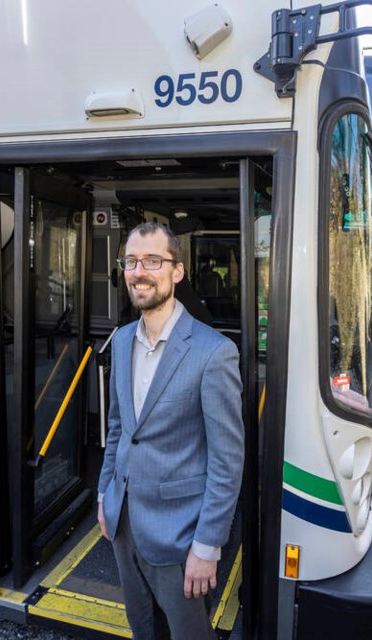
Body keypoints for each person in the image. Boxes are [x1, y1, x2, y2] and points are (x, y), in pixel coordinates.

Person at [97, 222, 244, 640]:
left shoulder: (214, 353)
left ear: (177, 272)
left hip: (180, 538)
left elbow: (227, 460)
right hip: (123, 524)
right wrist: (104, 493)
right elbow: (119, 429)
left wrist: (207, 546)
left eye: (153, 261)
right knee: (143, 628)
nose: (139, 271)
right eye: (131, 261)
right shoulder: (122, 341)